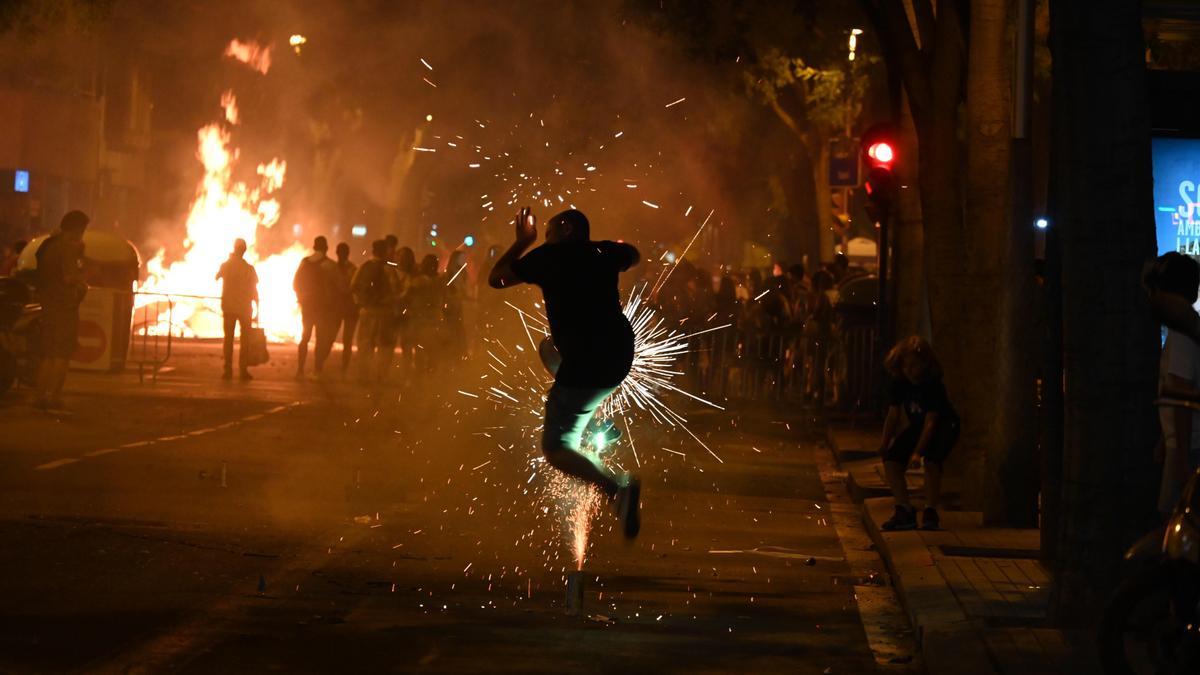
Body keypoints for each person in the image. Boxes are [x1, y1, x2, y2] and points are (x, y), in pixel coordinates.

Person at [489, 207, 642, 539]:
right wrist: (611, 252)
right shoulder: (604, 252)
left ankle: (616, 490)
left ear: (566, 230)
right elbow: (634, 254)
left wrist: (522, 243)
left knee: (556, 448)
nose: (544, 238)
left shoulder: (548, 257)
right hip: (619, 354)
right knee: (548, 348)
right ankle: (593, 418)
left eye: (547, 232)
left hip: (587, 362)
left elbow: (496, 278)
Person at [877, 336, 961, 531]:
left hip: (944, 426)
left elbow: (931, 422)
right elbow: (893, 414)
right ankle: (904, 509)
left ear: (925, 364)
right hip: (918, 426)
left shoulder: (932, 385)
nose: (910, 371)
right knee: (892, 460)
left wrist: (917, 453)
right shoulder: (900, 382)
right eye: (906, 366)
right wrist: (885, 442)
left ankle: (930, 510)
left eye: (915, 366)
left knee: (932, 462)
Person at [1152, 252, 1200, 514]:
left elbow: (1181, 398)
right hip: (1183, 443)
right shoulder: (1188, 328)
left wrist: (1179, 455)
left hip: (1186, 446)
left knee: (1172, 520)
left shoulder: (1180, 334)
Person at [32, 211, 89, 409]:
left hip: (48, 306)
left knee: (47, 355)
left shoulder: (47, 244)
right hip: (64, 307)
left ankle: (40, 396)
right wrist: (82, 276)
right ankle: (53, 395)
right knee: (62, 355)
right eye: (82, 230)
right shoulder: (67, 248)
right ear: (76, 229)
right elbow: (69, 277)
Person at [293, 236, 340, 378]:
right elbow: (339, 286)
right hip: (323, 308)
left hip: (307, 306)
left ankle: (300, 370)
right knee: (320, 339)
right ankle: (317, 370)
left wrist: (302, 299)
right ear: (326, 248)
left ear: (314, 247)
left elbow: (295, 283)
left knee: (305, 337)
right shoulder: (330, 265)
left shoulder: (305, 262)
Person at [351, 239, 396, 381]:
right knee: (384, 346)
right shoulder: (388, 268)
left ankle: (362, 375)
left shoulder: (364, 266)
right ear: (385, 251)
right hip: (384, 313)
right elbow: (395, 289)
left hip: (367, 311)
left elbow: (353, 285)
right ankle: (381, 376)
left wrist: (361, 303)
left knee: (365, 345)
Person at [216, 238, 259, 381]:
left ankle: (227, 370)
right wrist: (258, 307)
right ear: (244, 251)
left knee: (228, 340)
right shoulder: (249, 268)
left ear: (234, 249)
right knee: (244, 341)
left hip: (229, 307)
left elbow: (217, 277)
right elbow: (254, 289)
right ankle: (243, 370)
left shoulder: (226, 265)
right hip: (245, 309)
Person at [334, 242, 358, 373]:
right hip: (342, 308)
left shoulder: (334, 267)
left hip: (345, 308)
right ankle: (342, 369)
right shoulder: (351, 268)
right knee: (333, 338)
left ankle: (343, 369)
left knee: (346, 341)